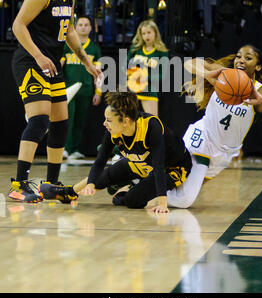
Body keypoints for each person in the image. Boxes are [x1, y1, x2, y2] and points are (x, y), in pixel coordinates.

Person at [9, 0, 102, 203]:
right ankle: (18, 183)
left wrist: (85, 61)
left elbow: (69, 30)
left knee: (61, 123)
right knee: (39, 121)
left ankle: (51, 184)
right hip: (30, 62)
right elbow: (18, 25)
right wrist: (39, 56)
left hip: (52, 64)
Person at [167, 44, 262, 208]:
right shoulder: (223, 75)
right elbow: (189, 63)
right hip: (203, 138)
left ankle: (143, 183)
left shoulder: (261, 91)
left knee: (180, 189)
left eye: (248, 58)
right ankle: (145, 187)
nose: (241, 60)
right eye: (238, 56)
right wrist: (207, 75)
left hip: (225, 153)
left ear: (258, 66)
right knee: (184, 200)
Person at [39, 90, 192, 213]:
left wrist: (162, 203)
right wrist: (91, 183)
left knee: (132, 201)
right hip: (142, 163)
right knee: (106, 174)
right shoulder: (113, 130)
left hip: (172, 168)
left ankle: (127, 189)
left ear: (125, 121)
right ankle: (69, 192)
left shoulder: (151, 127)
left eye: (109, 120)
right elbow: (100, 161)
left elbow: (159, 166)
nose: (104, 123)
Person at [61, 16, 102, 160]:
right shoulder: (67, 45)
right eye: (80, 24)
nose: (83, 27)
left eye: (86, 24)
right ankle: (65, 149)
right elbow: (60, 65)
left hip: (86, 90)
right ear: (75, 27)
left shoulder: (94, 48)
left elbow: (99, 73)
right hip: (68, 89)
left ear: (91, 28)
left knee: (80, 120)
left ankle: (75, 149)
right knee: (68, 120)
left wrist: (98, 92)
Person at [127, 19, 169, 116]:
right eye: (144, 33)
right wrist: (132, 75)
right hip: (131, 90)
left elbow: (163, 75)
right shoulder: (135, 49)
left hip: (149, 90)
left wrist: (145, 78)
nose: (146, 36)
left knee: (152, 123)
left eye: (149, 32)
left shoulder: (162, 52)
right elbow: (125, 67)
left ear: (155, 33)